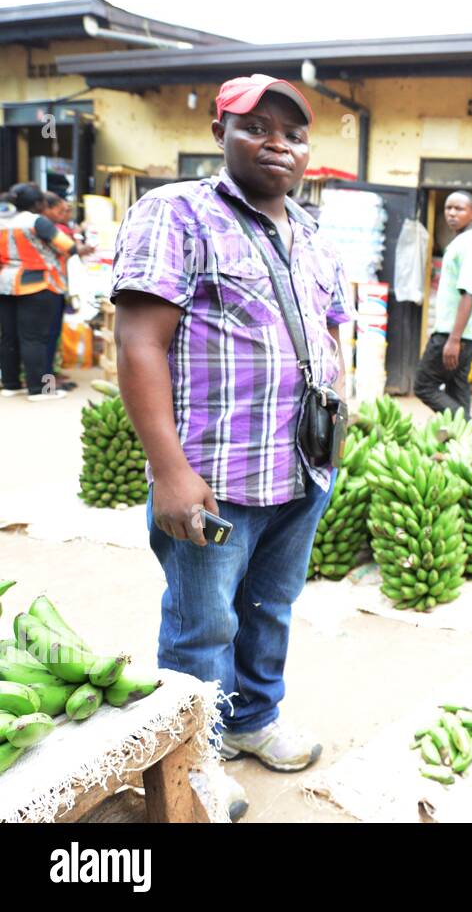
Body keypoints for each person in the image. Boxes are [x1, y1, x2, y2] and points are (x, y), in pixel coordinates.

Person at [111, 74, 352, 817]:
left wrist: (348, 408)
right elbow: (138, 341)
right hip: (213, 474)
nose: (277, 143)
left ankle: (251, 719)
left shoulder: (314, 235)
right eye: (257, 127)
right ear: (220, 131)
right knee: (202, 620)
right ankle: (192, 760)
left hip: (303, 467)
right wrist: (169, 471)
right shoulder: (175, 213)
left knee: (271, 607)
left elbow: (338, 328)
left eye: (294, 133)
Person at [414, 190, 472, 418]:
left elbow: (469, 294)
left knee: (424, 385)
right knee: (457, 388)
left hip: (453, 335)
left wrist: (453, 339)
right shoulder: (462, 242)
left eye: (459, 209)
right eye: (449, 208)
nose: (452, 213)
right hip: (462, 335)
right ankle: (466, 443)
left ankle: (468, 426)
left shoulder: (469, 245)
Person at [0, 183, 74, 401]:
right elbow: (67, 246)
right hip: (39, 284)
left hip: (5, 285)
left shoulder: (2, 221)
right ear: (39, 203)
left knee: (8, 338)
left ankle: (11, 385)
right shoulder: (37, 221)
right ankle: (41, 389)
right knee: (38, 339)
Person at [40, 193, 91, 391]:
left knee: (40, 339)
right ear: (44, 207)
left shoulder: (23, 224)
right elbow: (72, 248)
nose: (65, 214)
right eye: (62, 210)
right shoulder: (43, 226)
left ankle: (43, 381)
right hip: (47, 287)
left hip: (34, 288)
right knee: (46, 339)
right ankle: (45, 385)